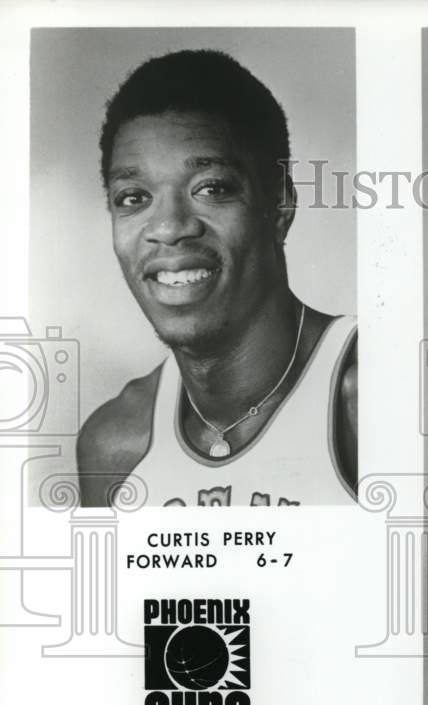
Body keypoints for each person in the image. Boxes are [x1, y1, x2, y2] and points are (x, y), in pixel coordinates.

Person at [76, 50, 357, 508]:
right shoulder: (115, 444)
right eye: (133, 196)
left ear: (280, 207)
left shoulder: (364, 401)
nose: (167, 227)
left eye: (212, 188)